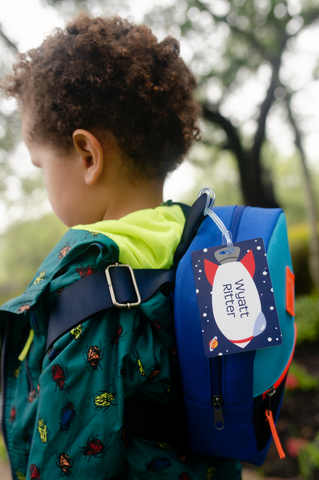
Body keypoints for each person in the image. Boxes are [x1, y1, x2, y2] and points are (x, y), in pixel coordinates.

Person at [0, 13, 242, 480]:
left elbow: (65, 463)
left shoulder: (88, 292)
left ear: (87, 155)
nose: (43, 179)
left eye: (40, 165)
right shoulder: (197, 246)